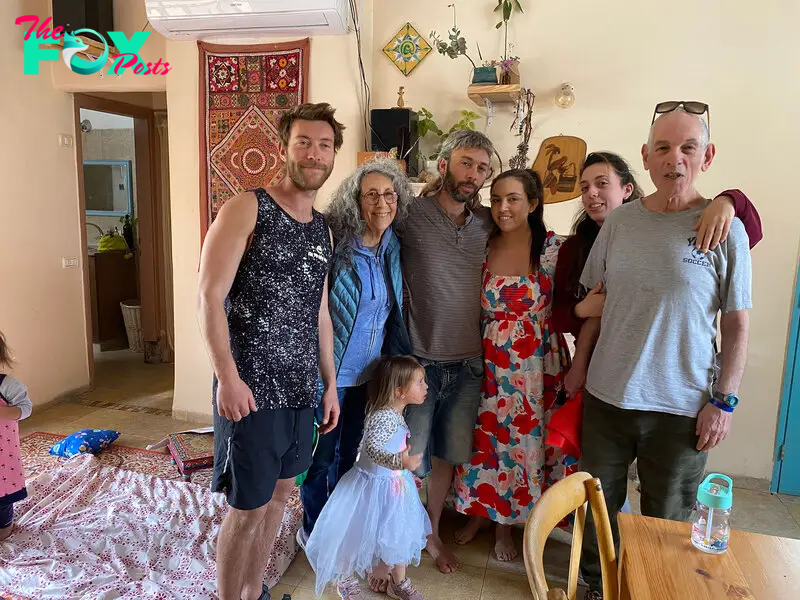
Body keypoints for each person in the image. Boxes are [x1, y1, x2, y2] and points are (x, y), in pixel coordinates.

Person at [577, 104, 752, 600]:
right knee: (598, 507)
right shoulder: (621, 223)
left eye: (687, 147)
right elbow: (591, 299)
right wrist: (578, 368)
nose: (674, 158)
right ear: (646, 159)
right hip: (607, 398)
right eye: (663, 148)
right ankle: (597, 586)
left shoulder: (726, 228)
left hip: (681, 407)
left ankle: (654, 591)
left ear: (707, 155)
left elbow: (738, 326)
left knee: (668, 520)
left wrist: (724, 401)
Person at [198, 102, 344, 600]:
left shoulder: (323, 228)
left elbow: (319, 313)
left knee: (283, 496)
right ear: (284, 147)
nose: (314, 153)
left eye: (324, 145)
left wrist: (329, 384)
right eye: (304, 141)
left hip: (303, 388)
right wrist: (228, 377)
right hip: (253, 388)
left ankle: (253, 591)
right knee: (248, 507)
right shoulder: (247, 207)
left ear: (333, 156)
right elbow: (209, 295)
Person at [552, 151, 762, 398]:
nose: (592, 193)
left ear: (627, 189)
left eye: (602, 184)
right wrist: (582, 310)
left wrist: (729, 200)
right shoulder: (574, 248)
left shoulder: (669, 229)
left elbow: (750, 234)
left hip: (674, 381)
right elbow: (562, 316)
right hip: (601, 375)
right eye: (585, 187)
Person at [297, 159, 413, 594]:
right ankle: (313, 533)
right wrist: (322, 377)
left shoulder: (393, 248)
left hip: (370, 380)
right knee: (319, 461)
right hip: (332, 377)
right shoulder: (336, 246)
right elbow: (317, 311)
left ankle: (341, 539)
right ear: (356, 201)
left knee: (350, 463)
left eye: (389, 194)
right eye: (371, 194)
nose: (381, 202)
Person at [451, 169, 575, 562]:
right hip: (486, 360)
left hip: (537, 366)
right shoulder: (481, 245)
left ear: (534, 204)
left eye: (514, 199)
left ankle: (509, 525)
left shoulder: (555, 249)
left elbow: (577, 302)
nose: (503, 208)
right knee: (483, 443)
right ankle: (480, 513)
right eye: (497, 199)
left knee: (522, 446)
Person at [400, 129, 496, 574]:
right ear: (444, 165)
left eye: (481, 168)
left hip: (469, 364)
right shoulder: (409, 214)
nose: (472, 174)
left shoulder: (487, 225)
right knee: (409, 459)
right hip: (419, 362)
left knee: (445, 458)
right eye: (465, 163)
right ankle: (400, 534)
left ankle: (432, 533)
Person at [305, 355, 431, 600]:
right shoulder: (383, 416)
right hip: (371, 488)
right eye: (420, 382)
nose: (426, 387)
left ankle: (400, 581)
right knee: (354, 534)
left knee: (397, 533)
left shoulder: (395, 413)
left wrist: (401, 467)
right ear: (400, 390)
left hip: (393, 486)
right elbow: (373, 449)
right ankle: (346, 579)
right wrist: (400, 462)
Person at [0, 331, 33, 541]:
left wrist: (5, 413)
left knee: (3, 495)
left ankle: (5, 526)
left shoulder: (7, 386)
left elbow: (26, 409)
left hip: (2, 457)